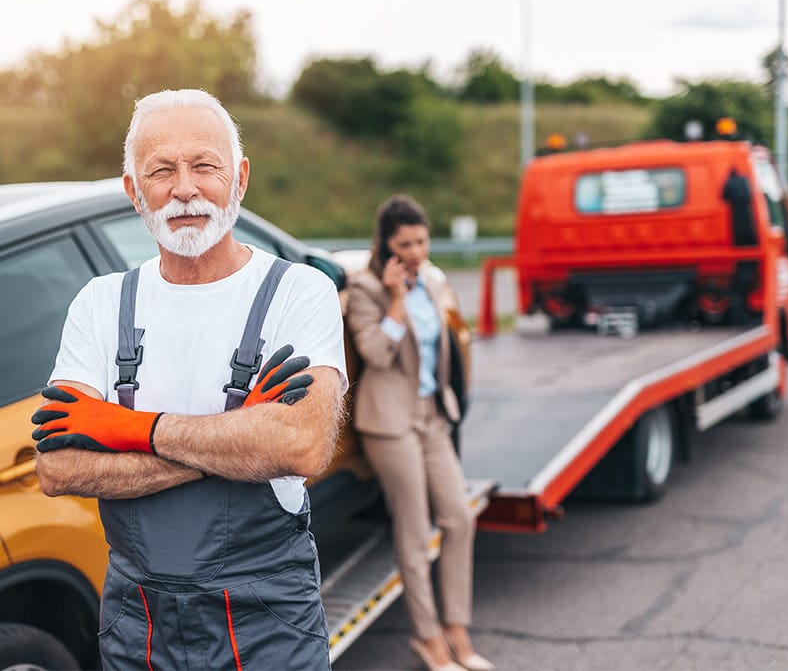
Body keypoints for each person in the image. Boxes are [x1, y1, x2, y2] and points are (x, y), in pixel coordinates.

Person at [33, 88, 347, 671]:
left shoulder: (299, 292)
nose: (184, 188)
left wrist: (127, 428)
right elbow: (57, 467)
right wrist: (238, 436)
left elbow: (300, 445)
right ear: (134, 191)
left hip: (267, 617)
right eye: (161, 171)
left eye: (205, 166)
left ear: (240, 180)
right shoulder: (101, 304)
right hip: (137, 619)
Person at [345, 195, 492, 671]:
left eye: (421, 240)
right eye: (404, 243)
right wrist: (396, 300)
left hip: (431, 415)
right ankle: (427, 639)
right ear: (385, 244)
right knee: (413, 531)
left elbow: (446, 344)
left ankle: (457, 631)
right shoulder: (366, 287)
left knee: (459, 519)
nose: (415, 250)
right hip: (389, 422)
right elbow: (377, 353)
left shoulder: (432, 278)